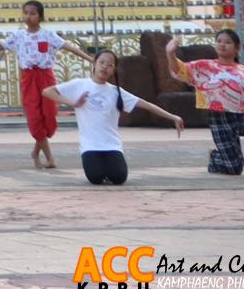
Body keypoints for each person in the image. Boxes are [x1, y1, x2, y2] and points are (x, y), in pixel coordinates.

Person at [163, 28, 244, 178]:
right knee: (234, 168)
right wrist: (170, 53)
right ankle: (216, 157)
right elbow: (179, 71)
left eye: (228, 42)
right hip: (219, 118)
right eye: (219, 41)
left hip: (242, 115)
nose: (222, 45)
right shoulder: (204, 66)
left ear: (237, 48)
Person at [54, 47, 183, 185]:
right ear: (94, 63)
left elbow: (147, 105)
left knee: (119, 177)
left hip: (111, 145)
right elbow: (48, 92)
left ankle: (110, 167)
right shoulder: (79, 84)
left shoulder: (116, 92)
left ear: (114, 70)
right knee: (95, 177)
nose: (105, 67)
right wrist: (73, 102)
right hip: (90, 146)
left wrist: (173, 117)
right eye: (102, 62)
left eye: (110, 65)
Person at [0, 1, 70, 169]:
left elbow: (69, 47)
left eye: (33, 13)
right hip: (28, 78)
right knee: (34, 116)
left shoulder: (49, 35)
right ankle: (50, 158)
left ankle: (36, 151)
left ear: (41, 16)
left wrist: (91, 60)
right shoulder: (18, 36)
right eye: (26, 13)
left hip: (46, 77)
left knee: (50, 116)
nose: (28, 17)